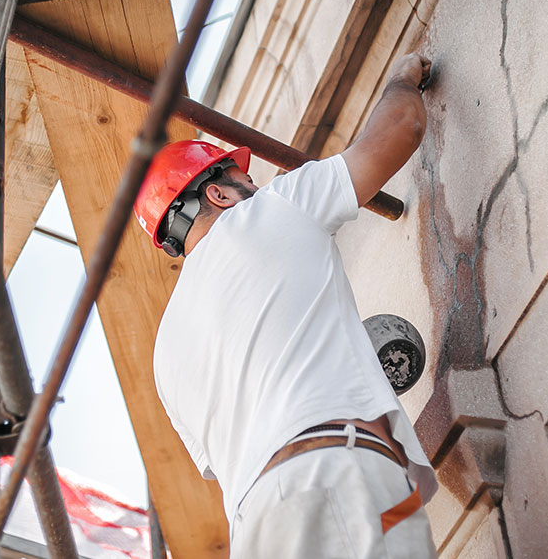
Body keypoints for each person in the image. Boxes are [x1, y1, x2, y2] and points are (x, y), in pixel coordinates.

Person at [133, 53, 438, 558]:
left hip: (256, 533)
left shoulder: (165, 357)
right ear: (218, 192)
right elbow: (402, 128)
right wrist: (400, 80)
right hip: (336, 470)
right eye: (243, 179)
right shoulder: (273, 209)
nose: (255, 185)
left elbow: (254, 453)